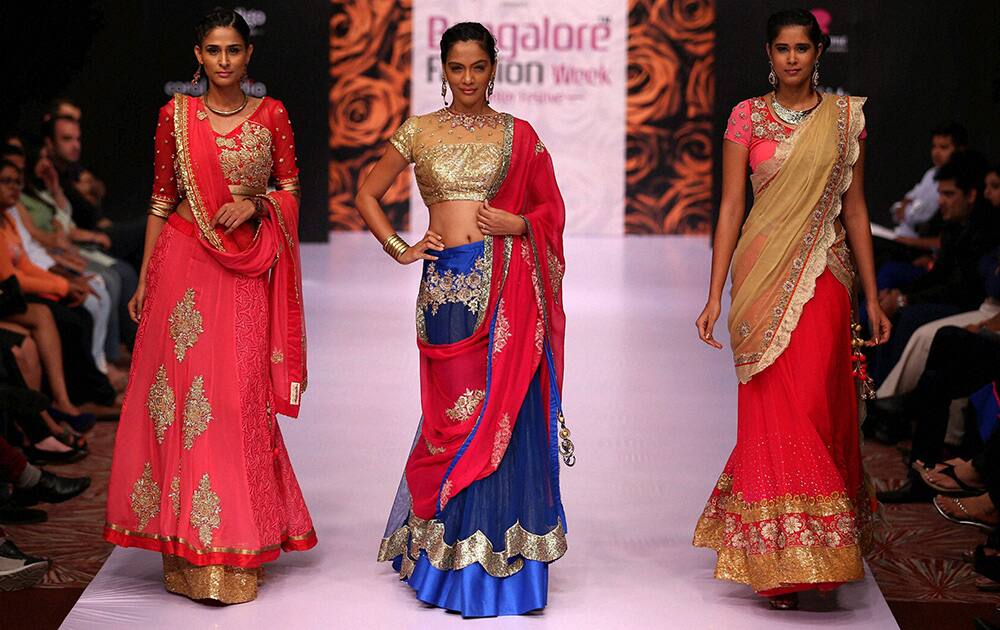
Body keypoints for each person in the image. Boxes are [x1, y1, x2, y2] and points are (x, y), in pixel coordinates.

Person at [357, 22, 572, 618]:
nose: (469, 79)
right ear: (444, 71)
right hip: (446, 293)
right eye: (458, 68)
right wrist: (399, 247)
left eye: (479, 67)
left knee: (501, 415)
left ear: (494, 68)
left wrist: (523, 226)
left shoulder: (519, 135)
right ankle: (443, 558)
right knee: (453, 416)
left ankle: (499, 563)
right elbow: (367, 193)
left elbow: (551, 209)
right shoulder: (418, 131)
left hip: (508, 289)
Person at [103, 9, 314, 605]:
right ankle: (186, 552)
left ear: (249, 56)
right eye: (213, 51)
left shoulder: (271, 114)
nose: (224, 61)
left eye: (234, 51)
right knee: (182, 405)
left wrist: (257, 205)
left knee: (233, 400)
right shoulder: (175, 116)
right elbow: (160, 199)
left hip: (243, 268)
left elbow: (293, 188)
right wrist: (144, 279)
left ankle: (238, 546)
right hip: (182, 267)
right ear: (198, 55)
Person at [692, 9, 891, 610]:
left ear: (819, 52)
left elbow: (855, 211)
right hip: (759, 277)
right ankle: (780, 564)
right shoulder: (745, 118)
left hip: (826, 277)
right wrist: (713, 290)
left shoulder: (843, 120)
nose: (792, 59)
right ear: (769, 54)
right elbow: (730, 207)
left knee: (815, 403)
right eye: (782, 49)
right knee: (773, 407)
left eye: (802, 48)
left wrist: (874, 297)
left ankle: (821, 553)